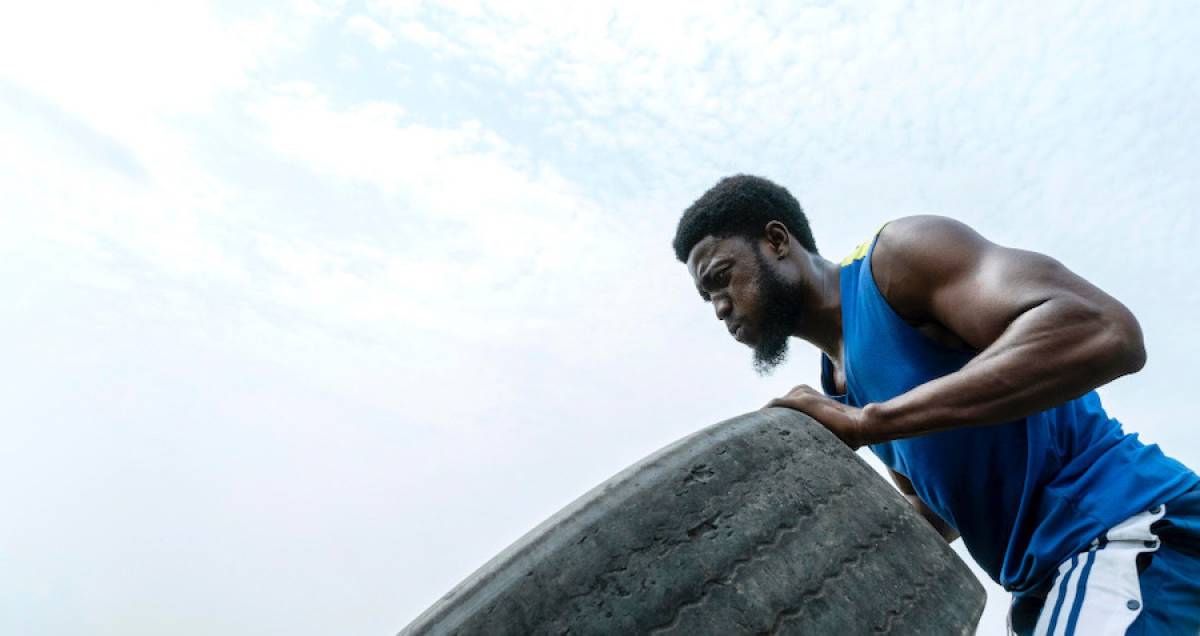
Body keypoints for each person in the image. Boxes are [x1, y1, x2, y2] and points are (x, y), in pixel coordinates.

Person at [673, 174, 1200, 635]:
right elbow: (942, 511)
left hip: (1126, 530)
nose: (720, 306)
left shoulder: (897, 261)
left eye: (722, 276)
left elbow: (1104, 330)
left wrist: (868, 423)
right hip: (1043, 584)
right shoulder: (836, 384)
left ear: (776, 241)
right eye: (706, 297)